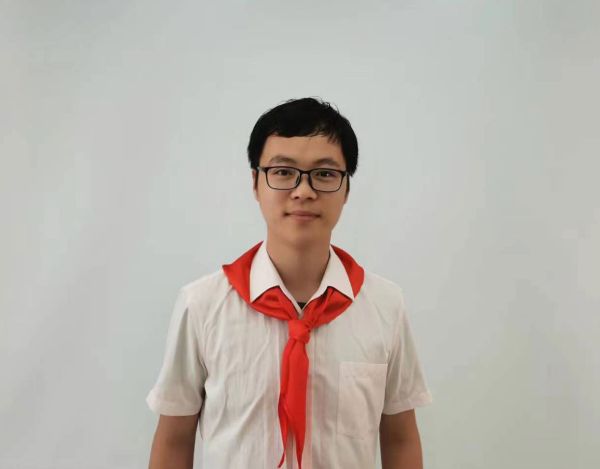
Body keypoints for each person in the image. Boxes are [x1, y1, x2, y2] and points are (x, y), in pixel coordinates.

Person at [146, 97, 433, 469]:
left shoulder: (384, 305)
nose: (303, 191)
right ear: (255, 183)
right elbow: (174, 439)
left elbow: (400, 437)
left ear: (347, 189)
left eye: (324, 174)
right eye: (283, 172)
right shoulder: (202, 305)